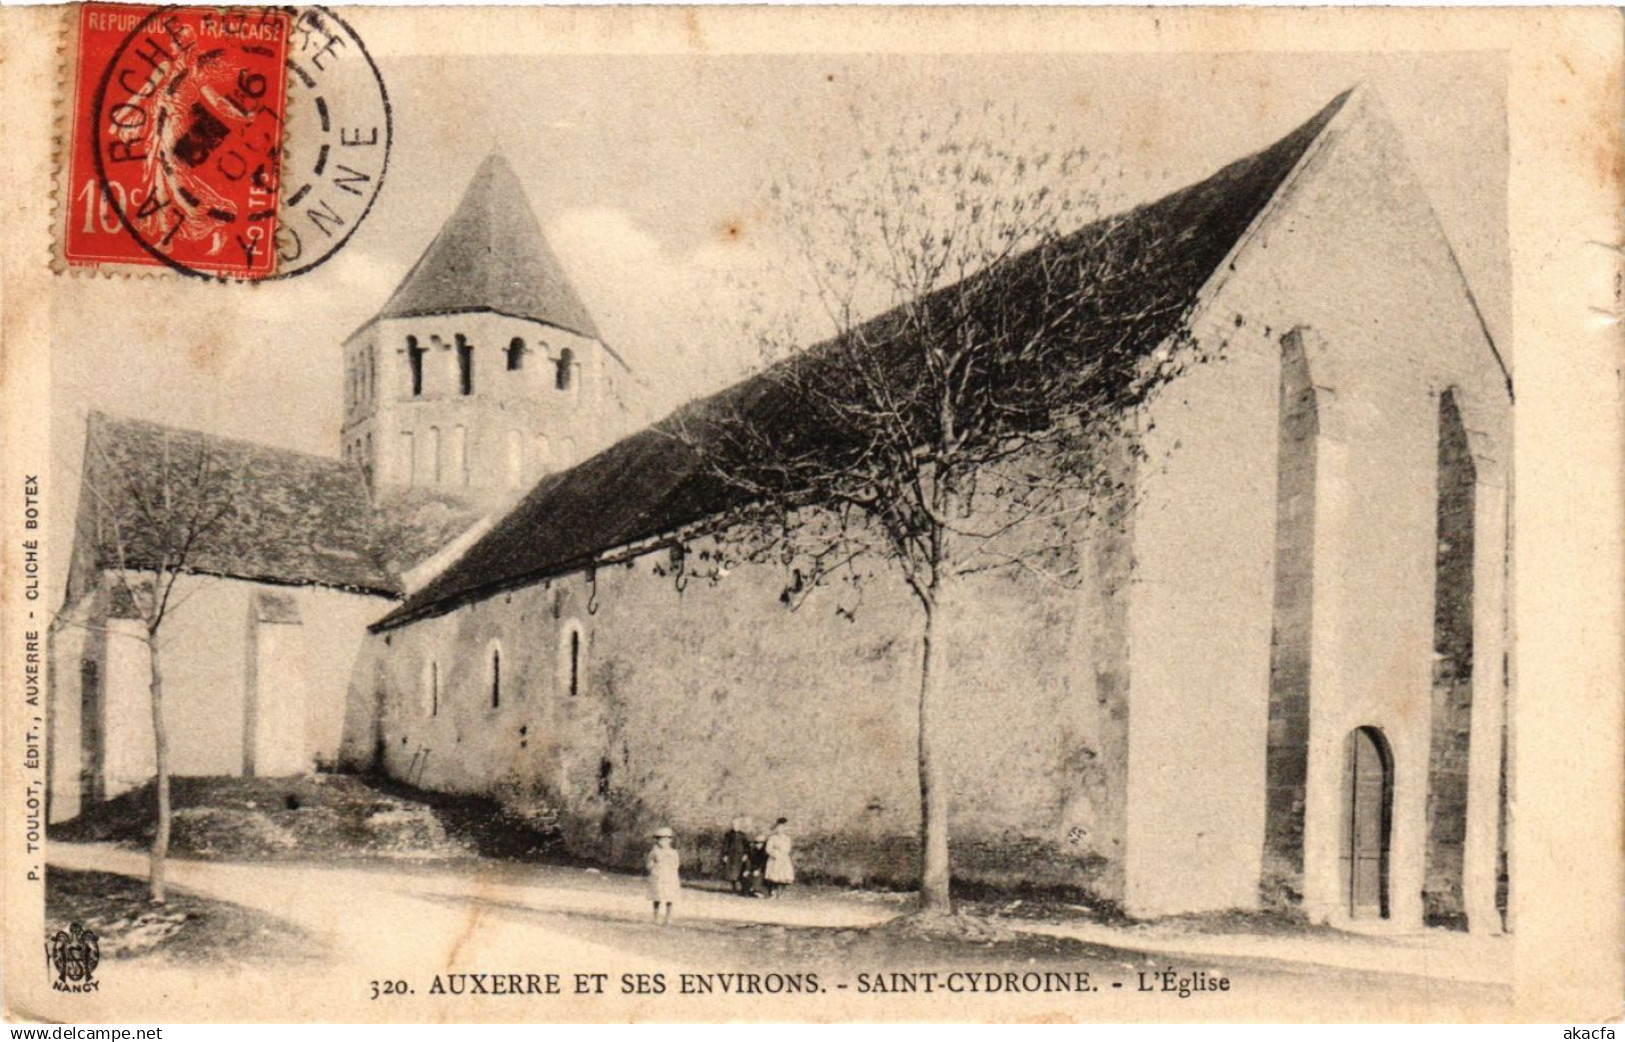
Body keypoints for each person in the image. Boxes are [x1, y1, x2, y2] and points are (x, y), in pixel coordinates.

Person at [645, 826, 681, 924]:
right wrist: (654, 870)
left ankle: (668, 917)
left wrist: (671, 872)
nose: (662, 841)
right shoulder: (654, 852)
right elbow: (649, 864)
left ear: (670, 840)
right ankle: (656, 917)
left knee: (670, 897)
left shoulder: (673, 852)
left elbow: (676, 864)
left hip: (670, 876)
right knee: (657, 896)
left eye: (665, 839)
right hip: (658, 876)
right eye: (660, 839)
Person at [764, 817, 795, 899]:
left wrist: (781, 853)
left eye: (782, 828)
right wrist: (774, 853)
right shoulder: (772, 838)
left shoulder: (787, 838)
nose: (779, 830)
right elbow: (768, 848)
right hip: (774, 858)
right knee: (773, 876)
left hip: (783, 858)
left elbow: (787, 848)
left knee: (783, 875)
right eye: (778, 828)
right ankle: (773, 893)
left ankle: (781, 893)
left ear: (784, 829)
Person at [720, 817, 751, 895]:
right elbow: (725, 845)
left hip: (740, 856)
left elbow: (747, 846)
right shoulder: (728, 834)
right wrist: (725, 855)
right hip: (731, 856)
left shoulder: (743, 835)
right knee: (732, 872)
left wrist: (745, 854)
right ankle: (734, 888)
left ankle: (742, 889)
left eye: (737, 824)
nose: (735, 826)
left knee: (740, 871)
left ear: (740, 825)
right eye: (733, 824)